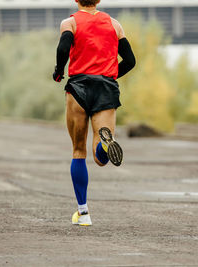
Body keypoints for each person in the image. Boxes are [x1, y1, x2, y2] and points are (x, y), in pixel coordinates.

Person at [53, 0, 136, 226]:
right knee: (100, 156)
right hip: (106, 88)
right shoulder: (114, 24)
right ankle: (106, 145)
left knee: (78, 151)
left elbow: (62, 48)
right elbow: (130, 60)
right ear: (98, 0)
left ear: (76, 0)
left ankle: (83, 213)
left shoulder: (70, 23)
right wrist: (109, 76)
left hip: (78, 87)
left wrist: (59, 71)